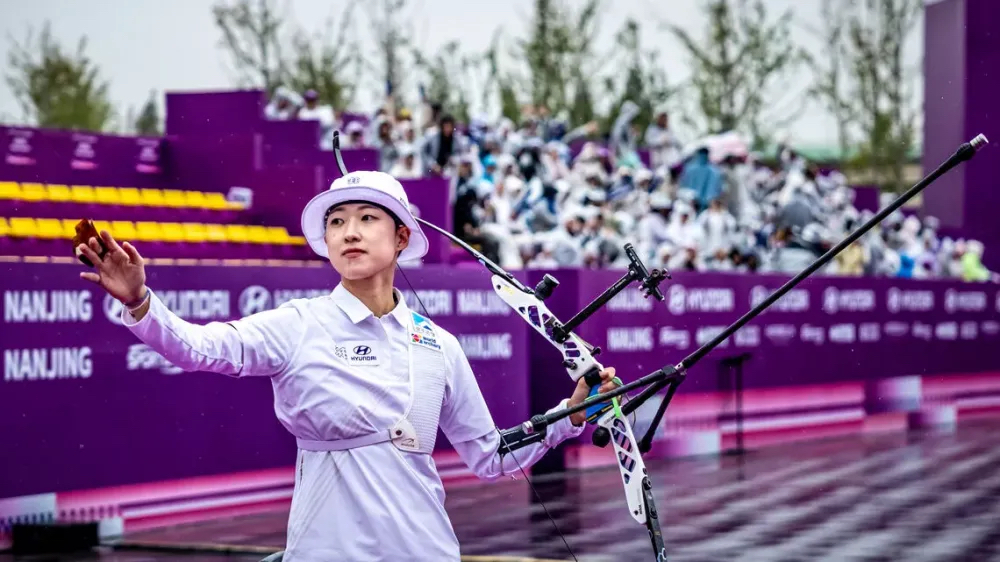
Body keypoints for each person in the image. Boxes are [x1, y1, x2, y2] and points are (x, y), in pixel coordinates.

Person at [77, 171, 620, 562]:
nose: (348, 232)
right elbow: (197, 347)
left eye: (366, 218)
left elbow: (490, 456)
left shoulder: (439, 345)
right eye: (336, 222)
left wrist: (568, 416)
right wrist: (140, 301)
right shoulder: (299, 324)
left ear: (401, 237)